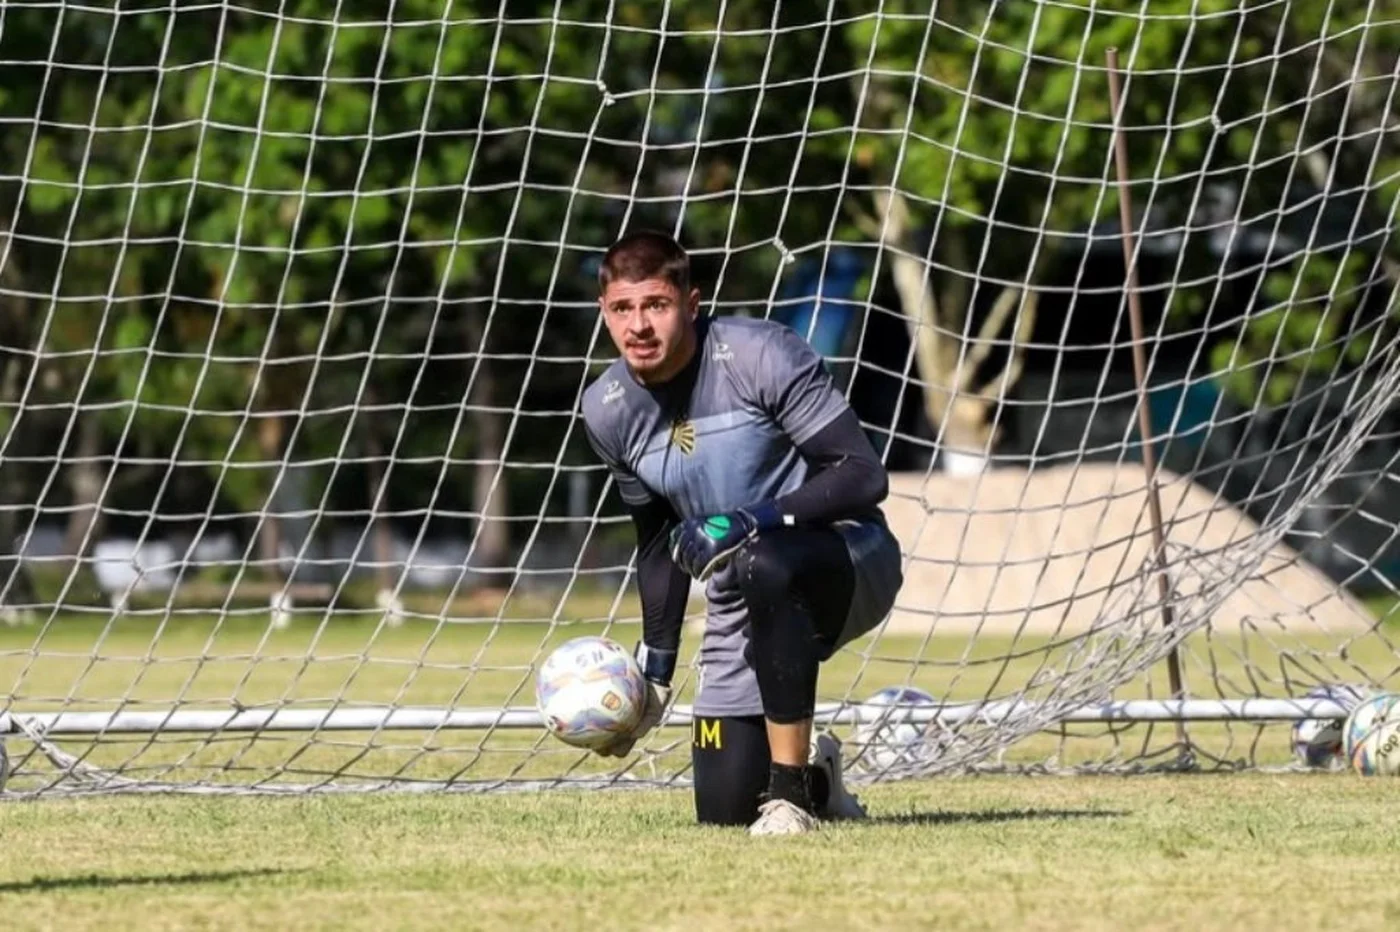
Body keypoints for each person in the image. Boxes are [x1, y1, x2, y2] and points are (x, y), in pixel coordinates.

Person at [579, 230, 904, 836]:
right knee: (725, 811)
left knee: (764, 560)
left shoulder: (761, 354)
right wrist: (654, 677)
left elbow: (864, 476)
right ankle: (819, 777)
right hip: (742, 593)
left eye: (656, 304)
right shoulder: (606, 408)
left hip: (849, 556)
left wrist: (753, 517)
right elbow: (658, 543)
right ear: (604, 312)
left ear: (692, 304)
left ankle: (790, 797)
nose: (639, 326)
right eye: (623, 308)